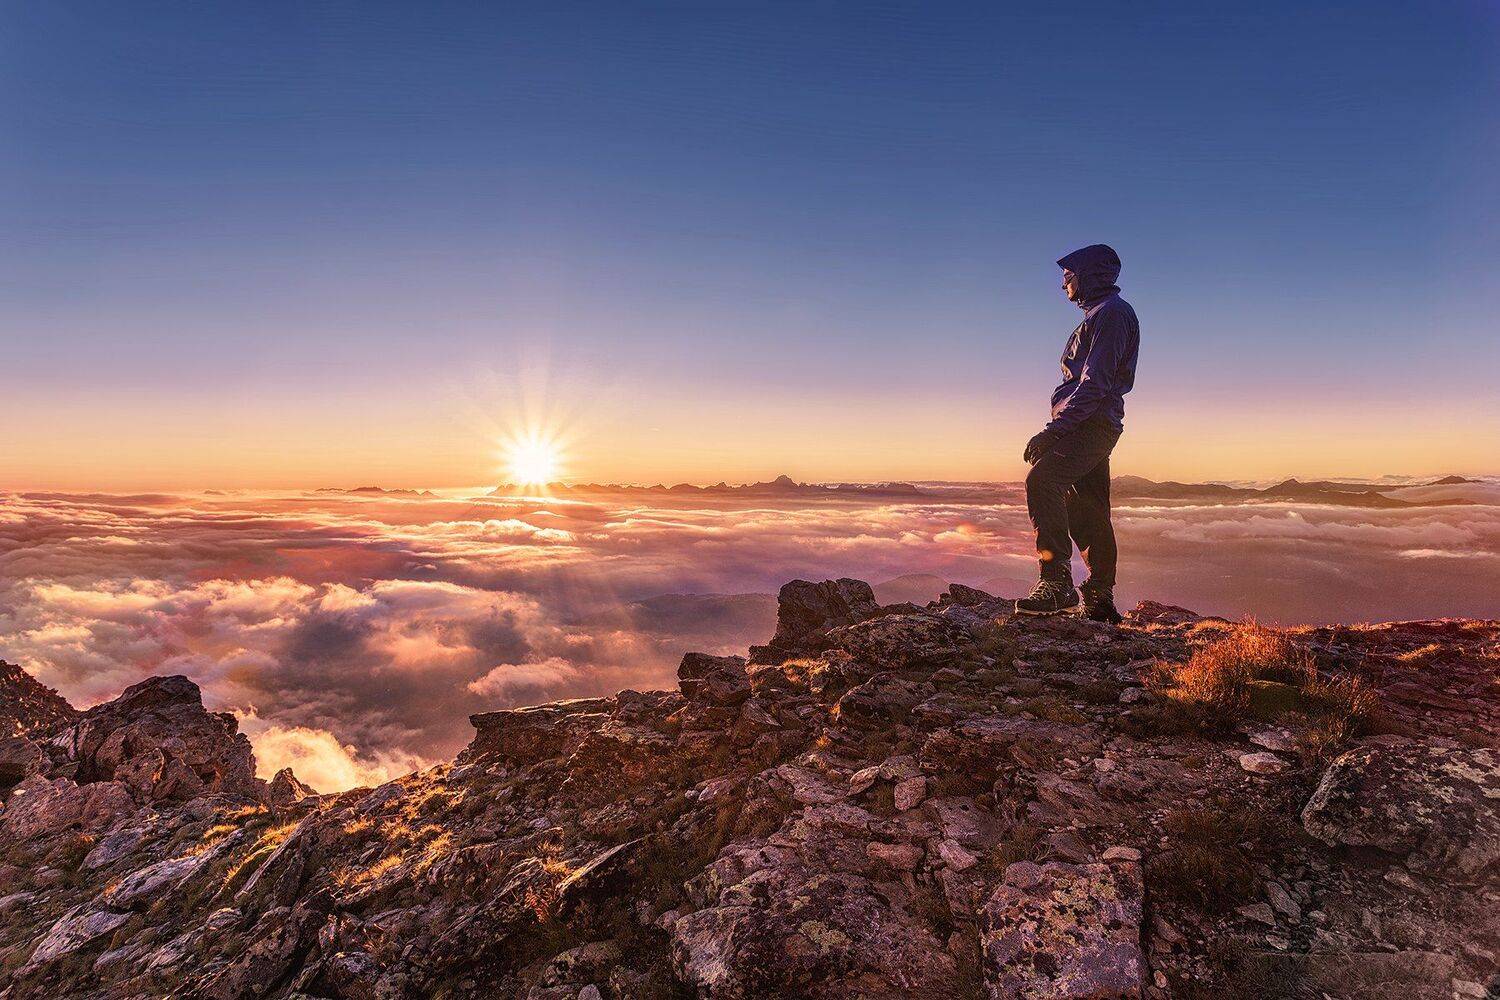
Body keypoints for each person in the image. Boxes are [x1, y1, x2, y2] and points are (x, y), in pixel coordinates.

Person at [1015, 243, 1139, 623]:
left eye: (1068, 277)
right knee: (1089, 508)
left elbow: (1094, 383)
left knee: (1043, 481)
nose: (1063, 285)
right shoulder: (1104, 314)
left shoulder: (1111, 315)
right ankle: (1100, 597)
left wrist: (1054, 432)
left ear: (1087, 276)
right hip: (1092, 422)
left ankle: (1056, 583)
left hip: (1090, 423)